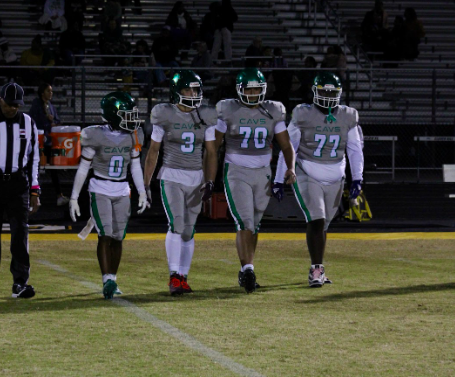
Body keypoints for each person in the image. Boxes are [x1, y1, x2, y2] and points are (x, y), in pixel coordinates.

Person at [273, 72, 364, 287]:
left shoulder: (348, 115)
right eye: (324, 91)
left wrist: (357, 179)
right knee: (316, 219)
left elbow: (354, 150)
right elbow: (289, 147)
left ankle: (319, 267)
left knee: (323, 226)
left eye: (332, 92)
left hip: (336, 175)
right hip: (307, 171)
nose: (328, 96)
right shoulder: (303, 113)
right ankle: (316, 269)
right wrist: (279, 178)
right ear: (315, 91)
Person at [215, 68, 296, 293]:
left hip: (263, 172)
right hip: (237, 170)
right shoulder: (227, 109)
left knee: (255, 224)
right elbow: (214, 145)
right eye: (248, 89)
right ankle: (248, 269)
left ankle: (247, 269)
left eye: (256, 89)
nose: (252, 93)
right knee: (245, 222)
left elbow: (286, 145)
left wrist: (289, 168)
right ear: (240, 90)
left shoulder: (274, 110)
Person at [144, 70, 218, 296]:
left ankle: (183, 277)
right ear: (177, 92)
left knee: (188, 230)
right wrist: (145, 185)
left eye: (195, 89)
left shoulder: (205, 116)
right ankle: (174, 275)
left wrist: (210, 181)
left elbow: (212, 152)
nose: (193, 94)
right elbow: (153, 151)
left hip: (195, 177)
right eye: (188, 89)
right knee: (176, 223)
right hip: (172, 175)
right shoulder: (164, 113)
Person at [69, 91, 149, 299]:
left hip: (122, 189)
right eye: (126, 114)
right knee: (105, 234)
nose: (132, 118)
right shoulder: (94, 134)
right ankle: (107, 280)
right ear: (114, 115)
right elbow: (83, 168)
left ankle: (113, 278)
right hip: (100, 187)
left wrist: (141, 191)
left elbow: (135, 166)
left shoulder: (133, 135)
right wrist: (74, 196)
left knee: (118, 237)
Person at [0, 82, 41, 298]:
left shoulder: (28, 122)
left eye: (16, 105)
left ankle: (20, 283)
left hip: (18, 184)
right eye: (8, 104)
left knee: (20, 234)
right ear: (0, 100)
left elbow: (34, 158)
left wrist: (35, 190)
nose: (12, 109)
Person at [29, 82, 69, 206]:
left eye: (51, 91)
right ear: (42, 93)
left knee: (53, 169)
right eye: (48, 91)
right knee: (36, 168)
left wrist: (53, 122)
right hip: (39, 143)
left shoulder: (50, 106)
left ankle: (59, 196)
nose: (51, 93)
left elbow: (57, 120)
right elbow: (33, 121)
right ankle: (34, 196)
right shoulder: (36, 106)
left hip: (50, 142)